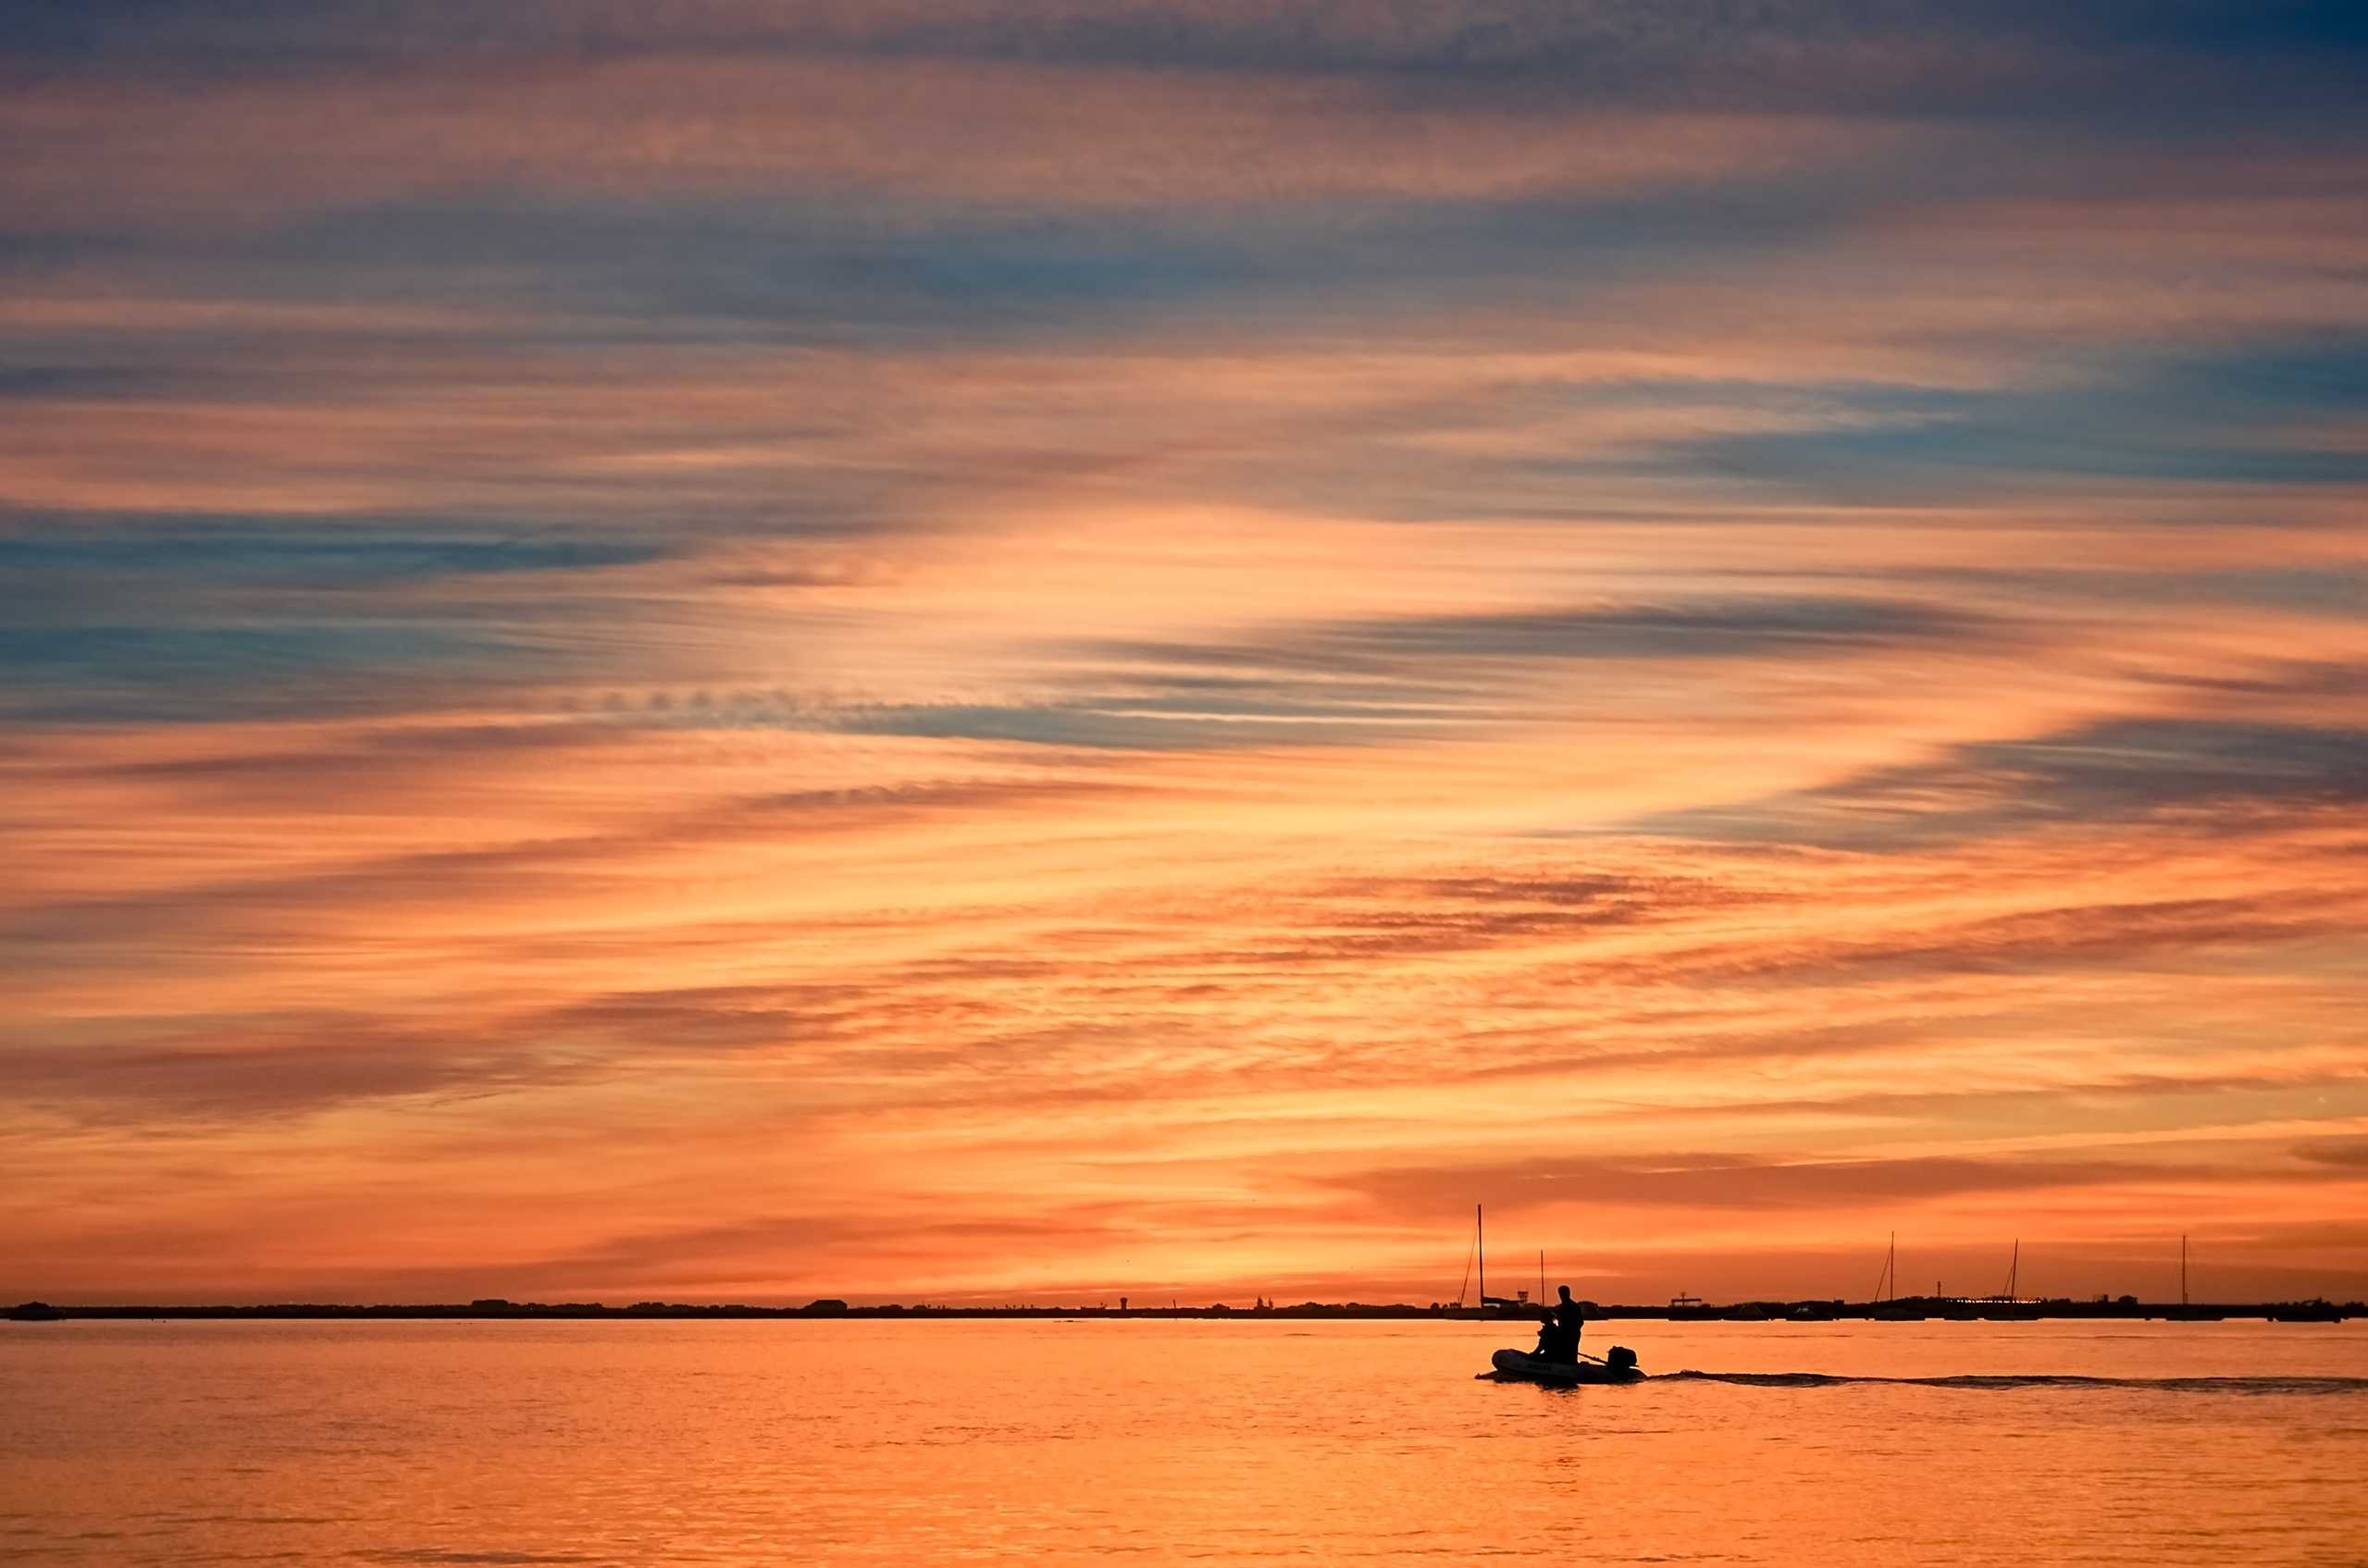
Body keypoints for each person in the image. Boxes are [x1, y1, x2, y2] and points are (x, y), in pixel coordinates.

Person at [1531, 1285, 1584, 1364]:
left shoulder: (1573, 1306)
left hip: (1572, 1334)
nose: (1561, 1296)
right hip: (1564, 1333)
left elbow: (1580, 1322)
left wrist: (1570, 1331)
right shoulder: (1562, 1307)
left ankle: (1571, 1365)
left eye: (1563, 1293)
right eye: (1560, 1293)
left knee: (1571, 1353)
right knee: (1565, 1353)